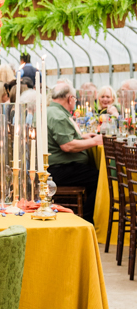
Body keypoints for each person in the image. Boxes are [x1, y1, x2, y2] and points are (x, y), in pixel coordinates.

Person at [46, 80, 101, 222]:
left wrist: (82, 137)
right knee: (100, 179)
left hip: (55, 167)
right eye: (75, 99)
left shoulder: (50, 111)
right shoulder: (58, 115)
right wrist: (95, 141)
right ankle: (87, 220)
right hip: (59, 169)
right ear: (70, 98)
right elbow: (67, 146)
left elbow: (57, 137)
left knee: (92, 173)